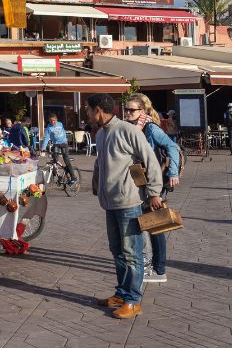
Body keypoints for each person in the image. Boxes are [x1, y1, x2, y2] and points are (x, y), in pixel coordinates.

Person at [89, 93, 164, 319]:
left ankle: (133, 300)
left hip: (129, 201)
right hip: (109, 202)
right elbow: (99, 164)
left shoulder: (127, 130)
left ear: (98, 110)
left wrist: (153, 193)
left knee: (132, 253)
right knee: (117, 251)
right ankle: (121, 294)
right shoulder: (101, 133)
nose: (87, 113)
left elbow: (150, 160)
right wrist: (96, 186)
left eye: (88, 109)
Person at [125, 94, 180, 284]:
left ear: (142, 110)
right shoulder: (134, 128)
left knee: (156, 225)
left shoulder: (151, 128)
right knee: (147, 224)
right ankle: (150, 264)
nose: (127, 113)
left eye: (131, 110)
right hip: (140, 182)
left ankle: (159, 269)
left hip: (153, 183)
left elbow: (172, 147)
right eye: (126, 109)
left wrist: (173, 173)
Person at [41, 113, 77, 184]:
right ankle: (57, 175)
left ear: (56, 120)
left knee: (66, 159)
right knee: (54, 160)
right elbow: (46, 138)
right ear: (49, 121)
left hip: (64, 144)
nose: (53, 122)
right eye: (51, 121)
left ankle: (73, 177)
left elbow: (63, 133)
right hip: (56, 144)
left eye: (54, 120)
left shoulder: (60, 124)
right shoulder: (49, 128)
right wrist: (43, 147)